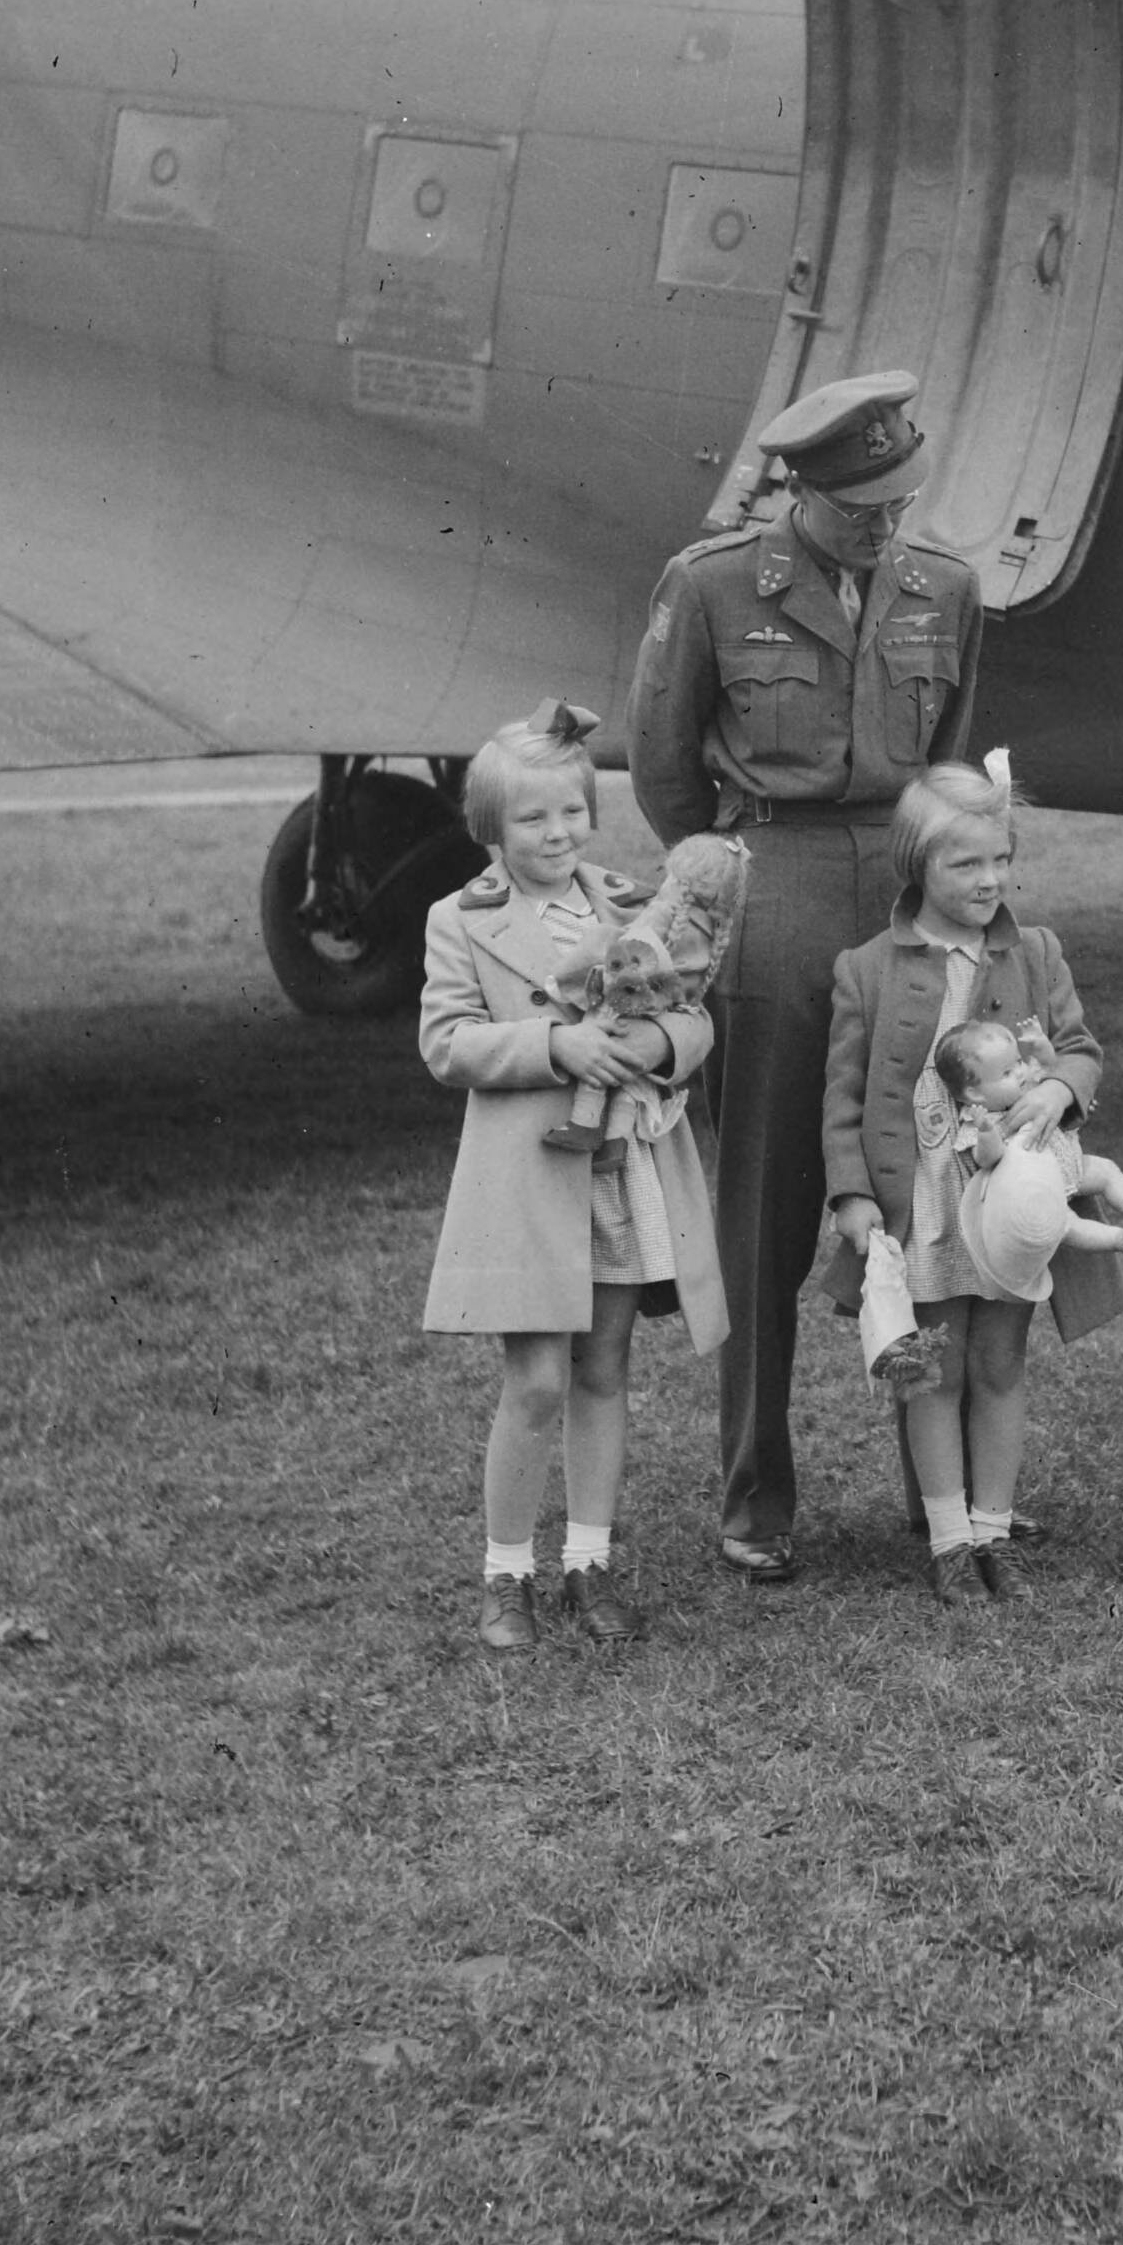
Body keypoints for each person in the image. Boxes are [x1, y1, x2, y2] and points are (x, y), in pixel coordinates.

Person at [628, 370, 987, 1585]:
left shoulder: (949, 589)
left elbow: (945, 766)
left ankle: (946, 1495)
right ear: (801, 490)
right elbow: (665, 769)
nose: (885, 527)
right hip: (773, 894)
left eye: (900, 503)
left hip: (905, 896)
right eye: (861, 508)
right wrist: (733, 881)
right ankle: (755, 1492)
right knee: (768, 1209)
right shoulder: (714, 585)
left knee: (930, 1186)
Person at [419, 699, 727, 1651]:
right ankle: (507, 1572)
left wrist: (657, 1044)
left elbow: (695, 1013)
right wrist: (556, 1046)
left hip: (622, 1172)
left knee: (605, 1366)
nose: (557, 833)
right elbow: (447, 1041)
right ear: (491, 827)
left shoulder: (633, 905)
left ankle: (589, 1563)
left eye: (572, 811)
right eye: (533, 818)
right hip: (530, 1184)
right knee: (538, 1381)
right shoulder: (459, 920)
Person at [819, 758, 1123, 1603]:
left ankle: (994, 1529)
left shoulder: (1037, 951)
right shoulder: (866, 968)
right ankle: (950, 1541)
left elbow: (1079, 1049)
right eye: (966, 863)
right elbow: (844, 1099)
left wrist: (1060, 1089)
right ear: (917, 864)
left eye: (1001, 858)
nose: (990, 879)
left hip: (1008, 1202)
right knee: (935, 1368)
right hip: (923, 1204)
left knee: (999, 1360)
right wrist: (852, 1194)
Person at [931, 1018, 1123, 1283]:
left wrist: (1040, 1043)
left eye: (1018, 1062)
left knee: (1105, 1170)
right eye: (1007, 1073)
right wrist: (987, 1133)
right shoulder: (982, 1122)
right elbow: (986, 1159)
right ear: (975, 1094)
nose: (1020, 1072)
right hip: (1035, 1194)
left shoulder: (1029, 1090)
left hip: (1069, 1166)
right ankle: (1113, 1239)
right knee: (1064, 1225)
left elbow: (1048, 1065)